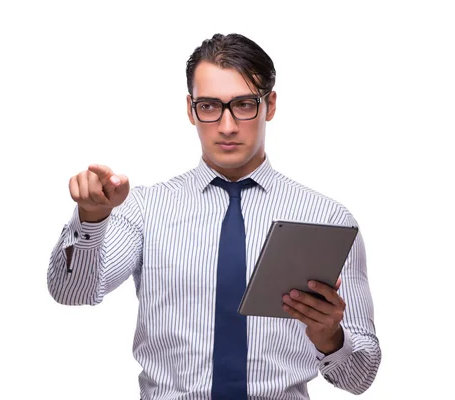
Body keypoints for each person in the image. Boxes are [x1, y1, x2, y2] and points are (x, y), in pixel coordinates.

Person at [48, 33, 381, 399]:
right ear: (191, 110)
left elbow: (360, 377)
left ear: (269, 105)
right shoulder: (144, 209)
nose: (226, 126)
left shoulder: (327, 219)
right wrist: (92, 218)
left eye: (243, 105)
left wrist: (330, 338)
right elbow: (72, 291)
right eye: (209, 106)